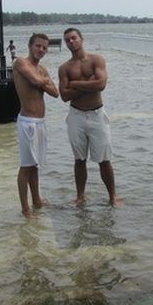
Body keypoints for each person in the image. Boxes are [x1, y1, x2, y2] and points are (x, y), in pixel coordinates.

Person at [58, 27, 121, 206]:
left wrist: (75, 84)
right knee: (79, 159)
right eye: (67, 40)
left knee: (104, 159)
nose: (71, 42)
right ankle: (80, 196)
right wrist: (87, 83)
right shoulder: (65, 67)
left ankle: (112, 197)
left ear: (81, 39)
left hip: (97, 114)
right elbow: (64, 95)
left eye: (73, 38)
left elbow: (101, 84)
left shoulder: (96, 59)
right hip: (76, 115)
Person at [12, 33, 59, 217]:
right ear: (30, 46)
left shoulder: (42, 69)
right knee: (26, 166)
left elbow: (55, 93)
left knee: (35, 164)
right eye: (38, 46)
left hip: (40, 122)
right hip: (27, 122)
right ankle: (25, 208)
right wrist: (43, 81)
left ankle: (37, 200)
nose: (41, 50)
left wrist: (43, 81)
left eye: (45, 48)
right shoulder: (20, 63)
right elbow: (35, 81)